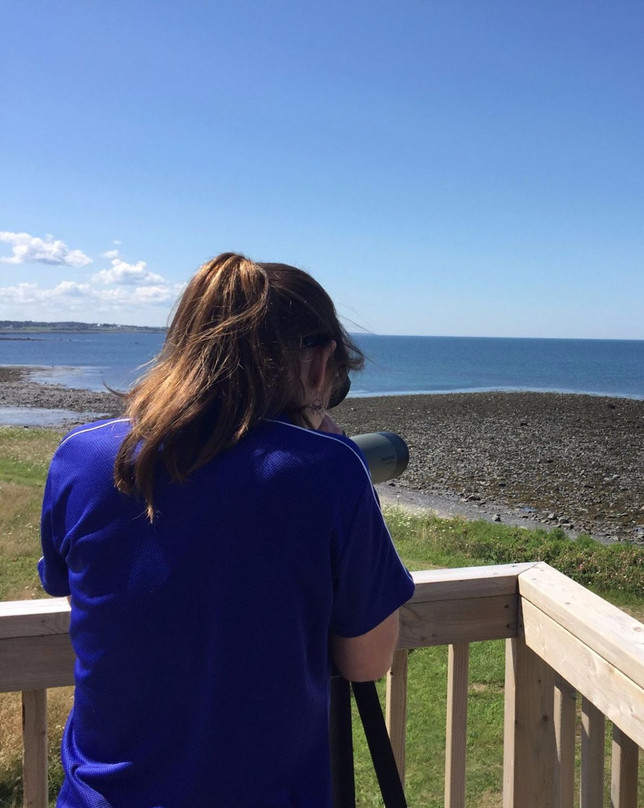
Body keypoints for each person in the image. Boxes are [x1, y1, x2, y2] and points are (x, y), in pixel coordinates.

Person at [38, 252, 415, 807]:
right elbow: (367, 660)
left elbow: (80, 591)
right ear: (319, 364)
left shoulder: (82, 458)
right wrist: (329, 448)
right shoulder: (331, 470)